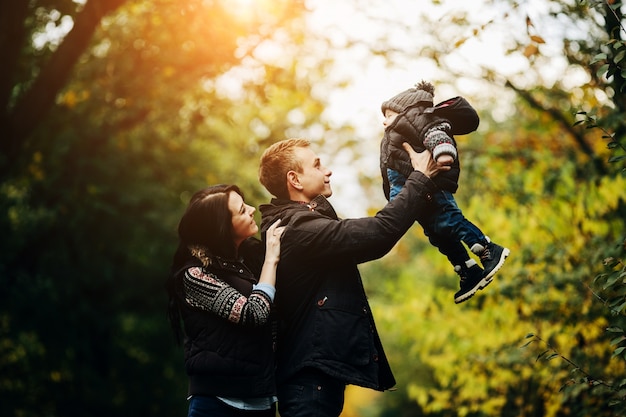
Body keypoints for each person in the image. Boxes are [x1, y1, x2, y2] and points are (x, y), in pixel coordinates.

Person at [257, 138, 448, 417]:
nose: (327, 171)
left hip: (313, 382)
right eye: (317, 164)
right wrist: (419, 178)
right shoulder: (299, 230)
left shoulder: (301, 223)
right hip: (309, 386)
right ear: (294, 179)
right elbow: (379, 233)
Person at [380, 80, 510, 304]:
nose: (385, 121)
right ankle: (468, 270)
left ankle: (488, 249)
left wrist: (442, 151)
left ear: (405, 111)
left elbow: (435, 131)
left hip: (433, 186)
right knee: (438, 235)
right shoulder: (394, 134)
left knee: (450, 219)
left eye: (389, 114)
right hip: (415, 193)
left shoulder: (415, 119)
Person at [165, 184, 285, 417]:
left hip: (262, 400)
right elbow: (254, 313)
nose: (251, 210)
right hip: (218, 404)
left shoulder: (248, 260)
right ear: (222, 228)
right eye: (241, 210)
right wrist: (271, 260)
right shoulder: (195, 275)